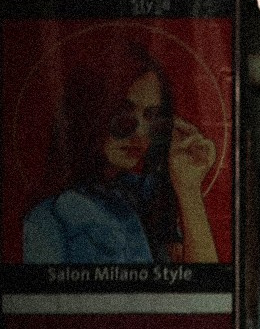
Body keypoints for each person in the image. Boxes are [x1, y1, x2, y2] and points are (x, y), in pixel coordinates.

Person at [22, 32, 219, 265]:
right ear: (90, 114)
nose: (140, 133)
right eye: (122, 114)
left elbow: (202, 289)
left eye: (152, 118)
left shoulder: (150, 199)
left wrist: (188, 190)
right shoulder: (52, 216)